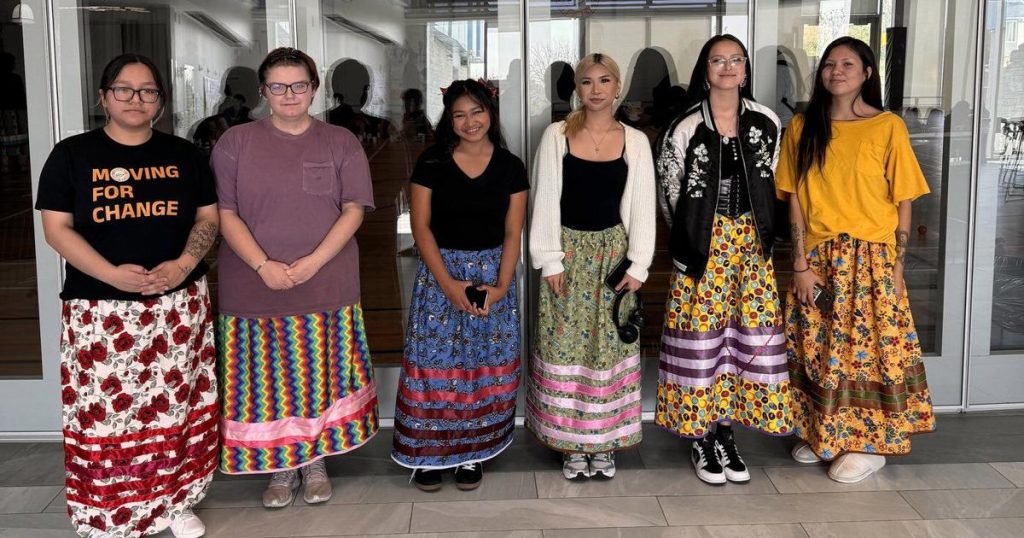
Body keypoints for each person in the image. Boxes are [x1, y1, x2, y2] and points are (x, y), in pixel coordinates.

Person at [36, 53, 218, 538]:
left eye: (147, 91)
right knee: (106, 413)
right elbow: (56, 229)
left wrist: (181, 265)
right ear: (103, 96)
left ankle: (175, 502)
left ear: (160, 100)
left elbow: (207, 219)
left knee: (174, 406)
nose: (136, 99)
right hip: (100, 309)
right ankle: (109, 512)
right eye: (124, 89)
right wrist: (111, 276)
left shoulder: (185, 155)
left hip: (177, 305)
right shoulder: (71, 155)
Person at [212, 47, 379, 506]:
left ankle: (316, 460)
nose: (290, 94)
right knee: (268, 383)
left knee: (320, 377)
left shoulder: (340, 141)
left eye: (299, 85)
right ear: (263, 91)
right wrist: (264, 265)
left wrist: (311, 263)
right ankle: (281, 469)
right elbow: (224, 213)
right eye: (278, 86)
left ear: (314, 88)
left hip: (326, 283)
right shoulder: (236, 143)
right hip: (253, 287)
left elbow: (352, 211)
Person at [776, 37, 935, 484]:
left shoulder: (888, 126)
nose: (836, 71)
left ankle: (870, 444)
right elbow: (794, 202)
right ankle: (824, 432)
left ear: (867, 72)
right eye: (829, 64)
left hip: (872, 257)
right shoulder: (802, 127)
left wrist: (897, 270)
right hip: (820, 256)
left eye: (847, 63)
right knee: (818, 347)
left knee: (869, 353)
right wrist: (801, 264)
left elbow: (903, 201)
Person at [655, 34, 793, 486]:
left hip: (752, 246)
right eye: (718, 60)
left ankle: (727, 431)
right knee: (702, 339)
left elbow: (773, 182)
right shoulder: (685, 126)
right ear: (705, 69)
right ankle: (701, 436)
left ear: (747, 69)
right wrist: (696, 235)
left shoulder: (768, 122)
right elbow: (671, 192)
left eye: (736, 60)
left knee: (744, 338)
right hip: (703, 246)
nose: (728, 68)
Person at [391, 79, 528, 491]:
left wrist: (502, 286)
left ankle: (475, 452)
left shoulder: (510, 165)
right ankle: (429, 455)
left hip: (493, 274)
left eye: (477, 111)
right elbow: (421, 228)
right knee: (435, 366)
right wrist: (449, 285)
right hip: (439, 275)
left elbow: (512, 232)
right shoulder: (432, 162)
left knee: (483, 365)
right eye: (460, 114)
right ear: (449, 120)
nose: (470, 121)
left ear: (491, 113)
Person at [527, 52, 656, 481]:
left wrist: (638, 264)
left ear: (617, 87)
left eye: (605, 81)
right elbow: (544, 200)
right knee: (565, 349)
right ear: (576, 89)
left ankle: (604, 442)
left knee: (609, 351)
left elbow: (642, 207)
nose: (596, 90)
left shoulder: (634, 140)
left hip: (613, 257)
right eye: (587, 82)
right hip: (567, 255)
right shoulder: (557, 134)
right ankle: (570, 443)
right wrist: (549, 260)